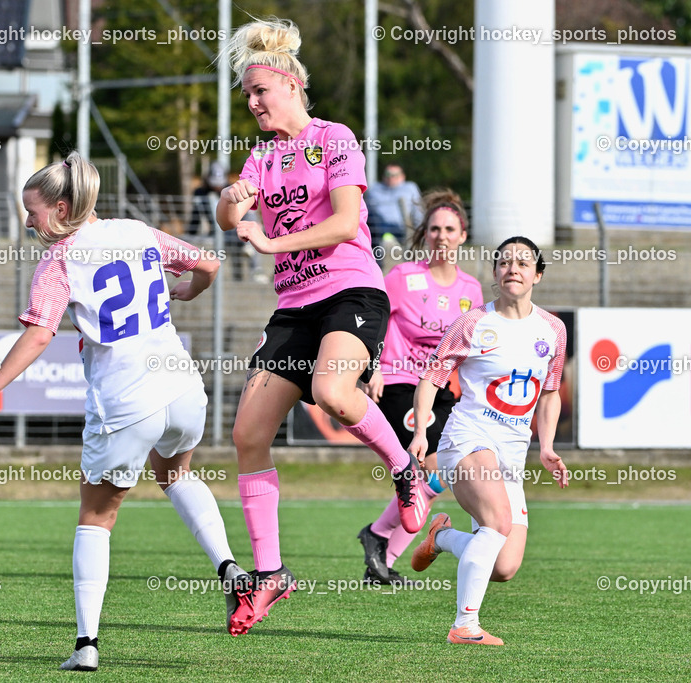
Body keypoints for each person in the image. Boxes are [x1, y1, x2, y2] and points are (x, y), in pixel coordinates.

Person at [0, 151, 252, 671]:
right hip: (182, 388)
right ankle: (229, 568)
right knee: (175, 475)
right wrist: (190, 291)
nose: (28, 221)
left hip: (126, 397)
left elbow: (40, 334)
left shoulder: (60, 259)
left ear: (62, 207)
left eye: (34, 212)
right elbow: (209, 262)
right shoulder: (137, 232)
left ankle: (86, 645)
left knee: (97, 517)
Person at [214, 17, 428, 636]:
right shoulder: (262, 154)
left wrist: (272, 243)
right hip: (294, 307)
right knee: (247, 434)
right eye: (248, 95)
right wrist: (232, 201)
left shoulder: (335, 139)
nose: (252, 103)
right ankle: (271, 574)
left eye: (260, 92)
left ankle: (405, 472)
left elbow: (342, 224)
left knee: (336, 395)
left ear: (290, 85)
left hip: (351, 290)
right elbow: (231, 215)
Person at [408, 236, 570, 646]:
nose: (513, 268)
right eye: (504, 262)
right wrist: (421, 432)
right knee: (497, 523)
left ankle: (441, 536)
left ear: (537, 274)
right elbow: (431, 378)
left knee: (504, 567)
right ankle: (465, 626)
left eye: (523, 262)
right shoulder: (473, 323)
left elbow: (549, 393)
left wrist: (547, 447)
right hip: (466, 439)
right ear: (496, 274)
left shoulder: (552, 330)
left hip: (511, 457)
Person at [357, 189, 484, 586]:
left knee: (435, 477)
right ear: (424, 235)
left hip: (443, 391)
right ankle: (379, 540)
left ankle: (380, 552)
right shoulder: (403, 277)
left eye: (449, 229)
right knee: (426, 468)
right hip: (399, 382)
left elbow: (471, 348)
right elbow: (371, 317)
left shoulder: (471, 290)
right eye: (434, 229)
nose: (441, 236)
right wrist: (370, 367)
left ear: (462, 235)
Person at [365, 163, 423, 244]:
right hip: (378, 234)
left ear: (403, 176)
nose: (391, 177)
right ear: (383, 176)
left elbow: (418, 214)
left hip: (403, 232)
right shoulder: (374, 190)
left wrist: (419, 235)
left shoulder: (410, 188)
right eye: (388, 174)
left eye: (395, 175)